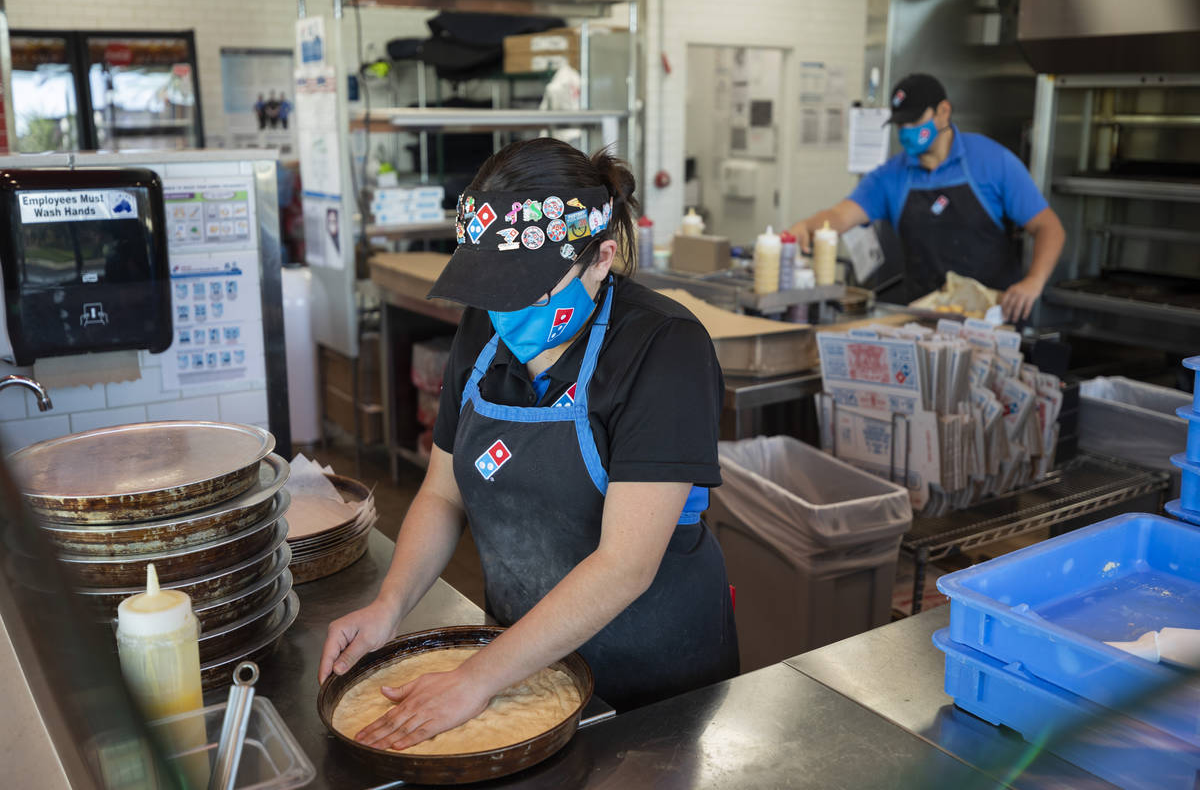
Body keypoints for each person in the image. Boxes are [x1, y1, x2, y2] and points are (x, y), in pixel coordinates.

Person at [319, 138, 739, 751]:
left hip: (654, 689)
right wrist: (390, 605)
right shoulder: (481, 334)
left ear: (602, 257)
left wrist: (473, 679)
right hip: (521, 670)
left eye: (531, 292)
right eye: (493, 294)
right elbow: (442, 495)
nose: (506, 314)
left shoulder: (664, 349)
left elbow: (626, 564)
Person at [789, 74, 1065, 322]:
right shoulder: (891, 177)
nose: (906, 131)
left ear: (943, 112)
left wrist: (1033, 282)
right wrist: (806, 227)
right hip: (923, 321)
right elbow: (840, 216)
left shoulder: (992, 162)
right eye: (900, 124)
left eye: (914, 121)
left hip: (993, 320)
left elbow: (1049, 227)